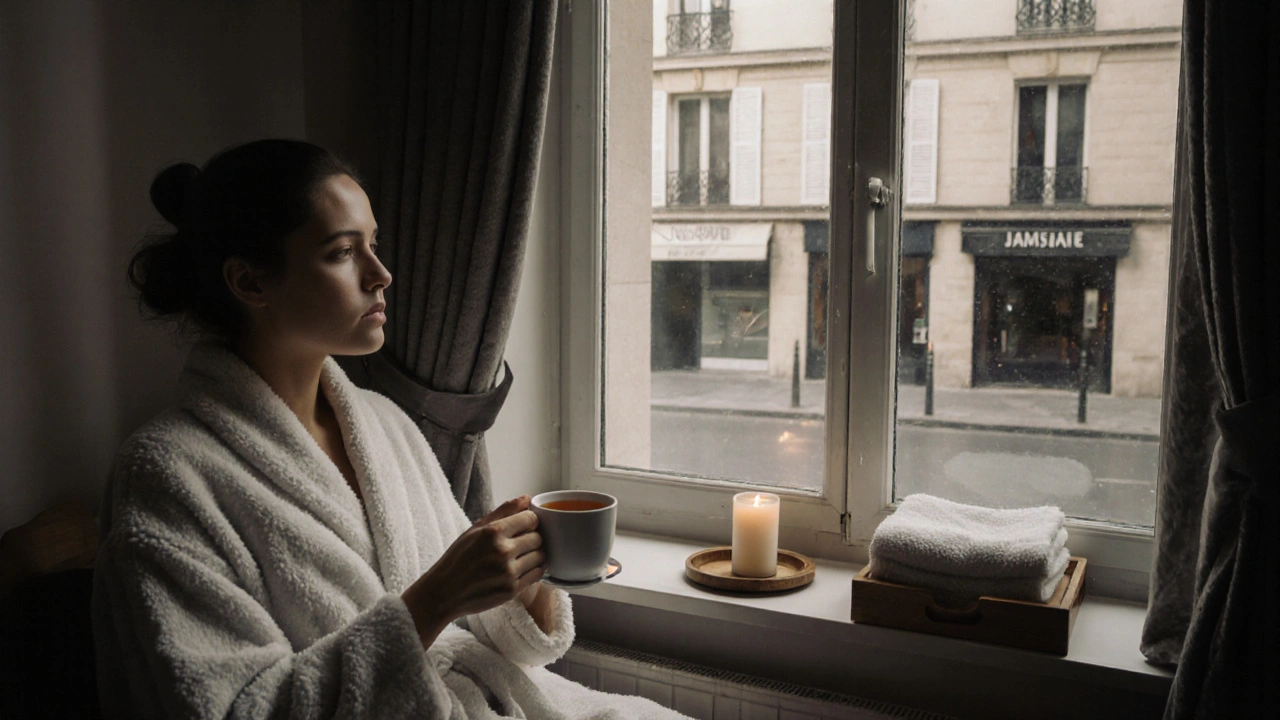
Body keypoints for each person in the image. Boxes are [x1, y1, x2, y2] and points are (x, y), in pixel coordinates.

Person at [94, 139, 686, 719]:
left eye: (373, 245)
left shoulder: (383, 424)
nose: (381, 275)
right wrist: (435, 600)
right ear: (251, 282)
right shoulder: (165, 475)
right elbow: (233, 706)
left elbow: (503, 641)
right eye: (342, 252)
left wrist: (516, 576)